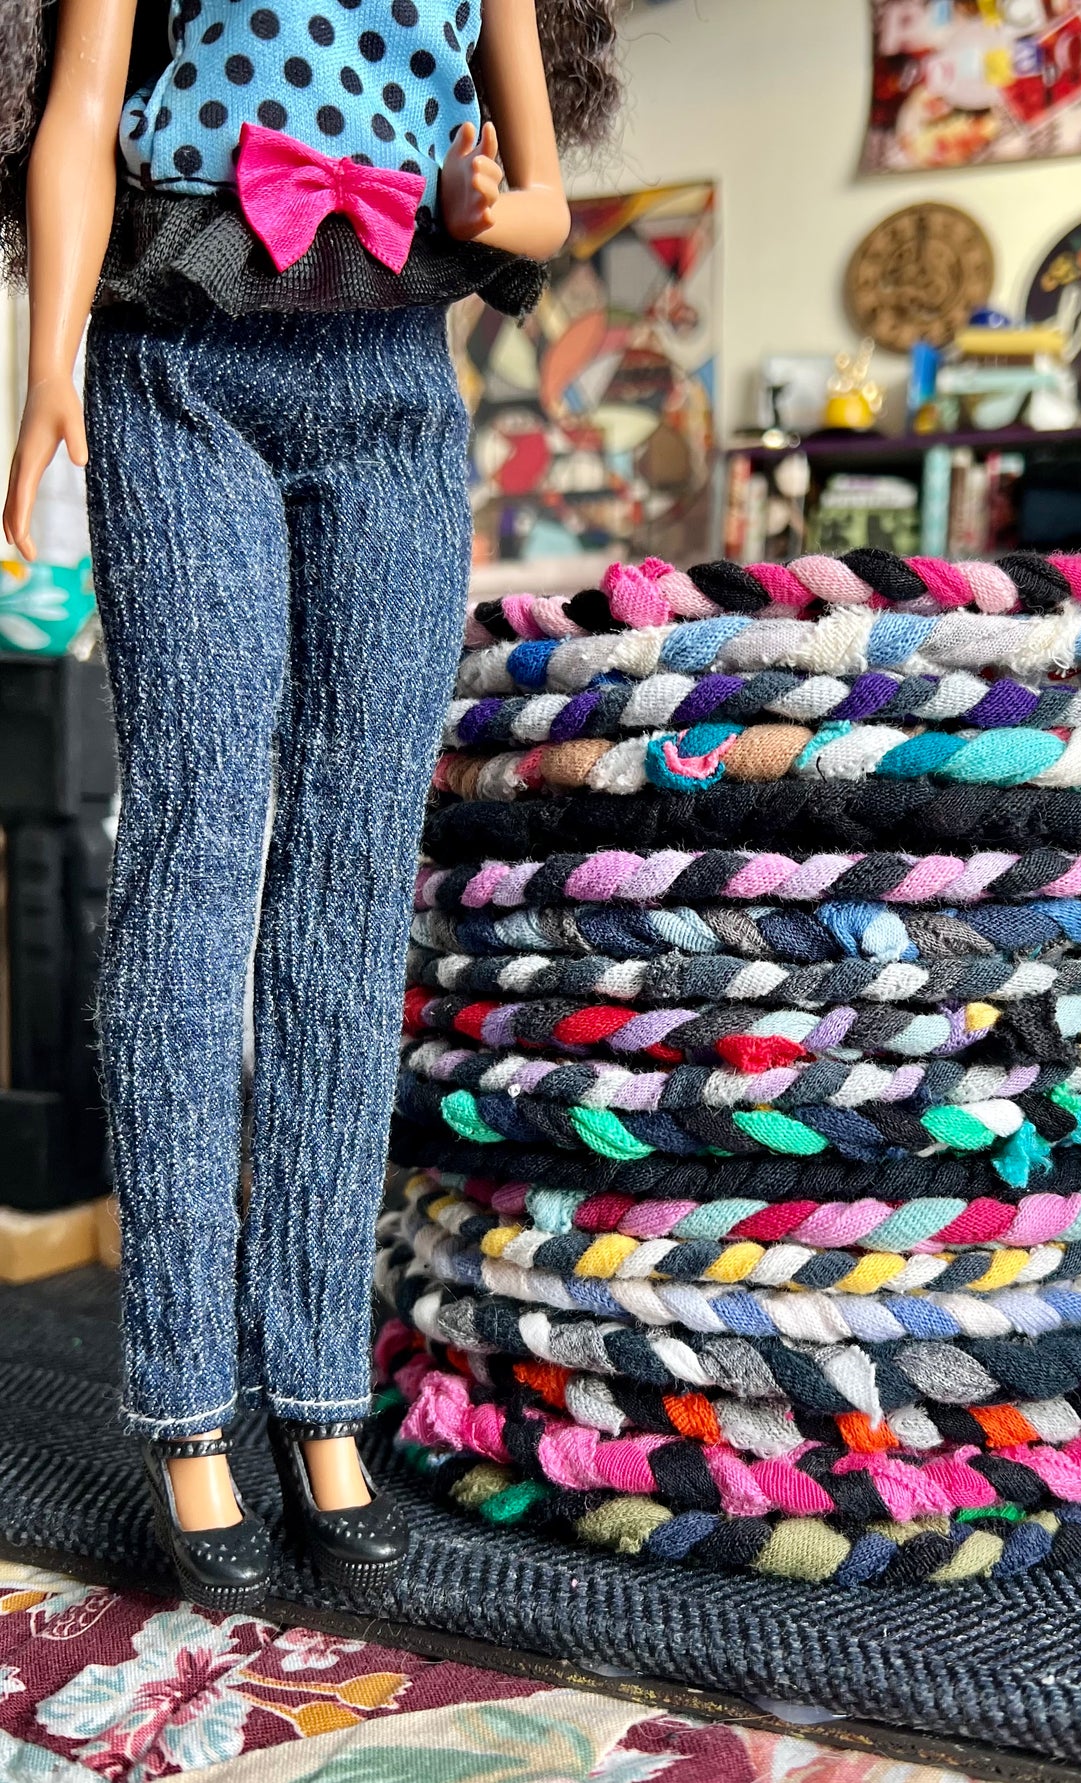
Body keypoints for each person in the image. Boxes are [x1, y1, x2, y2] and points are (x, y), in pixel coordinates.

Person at [0, 0, 618, 1610]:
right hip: (180, 350)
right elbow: (80, 107)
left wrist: (502, 210)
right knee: (196, 850)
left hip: (396, 378)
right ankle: (189, 1404)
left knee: (352, 884)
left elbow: (548, 197)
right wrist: (46, 358)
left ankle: (321, 1397)